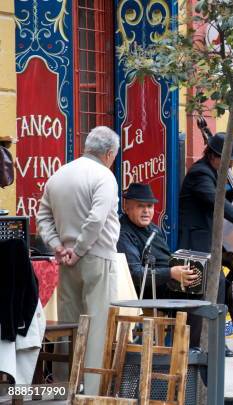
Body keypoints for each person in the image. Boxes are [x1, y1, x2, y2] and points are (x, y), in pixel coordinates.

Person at [36, 126, 121, 393]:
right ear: (109, 153)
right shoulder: (104, 177)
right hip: (96, 257)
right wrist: (80, 248)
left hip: (66, 259)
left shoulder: (59, 175)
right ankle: (93, 392)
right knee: (96, 326)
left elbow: (42, 217)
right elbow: (97, 219)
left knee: (69, 324)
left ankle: (63, 386)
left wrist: (58, 246)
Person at [178, 132, 233, 356]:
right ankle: (200, 343)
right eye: (229, 160)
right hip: (195, 245)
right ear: (216, 156)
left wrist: (232, 188)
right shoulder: (200, 173)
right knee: (205, 291)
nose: (230, 165)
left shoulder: (212, 173)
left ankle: (213, 341)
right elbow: (214, 201)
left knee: (219, 288)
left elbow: (219, 197)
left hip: (208, 244)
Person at [117, 183, 198, 299]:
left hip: (168, 283)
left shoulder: (154, 229)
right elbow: (135, 274)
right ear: (127, 208)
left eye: (149, 206)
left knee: (214, 279)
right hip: (149, 291)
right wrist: (171, 273)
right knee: (198, 293)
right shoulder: (123, 233)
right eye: (140, 206)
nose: (146, 211)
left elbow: (166, 259)